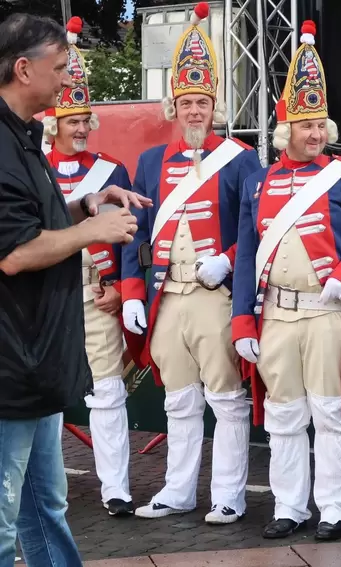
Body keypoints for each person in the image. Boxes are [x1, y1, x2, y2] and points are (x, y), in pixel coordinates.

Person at [0, 13, 150, 566]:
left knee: (46, 505)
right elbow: (13, 253)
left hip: (33, 359)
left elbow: (30, 222)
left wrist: (85, 205)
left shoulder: (22, 138)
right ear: (23, 69)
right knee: (7, 512)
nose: (66, 80)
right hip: (11, 364)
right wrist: (91, 230)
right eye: (59, 68)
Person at [231, 20, 341, 541]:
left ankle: (336, 510)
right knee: (283, 416)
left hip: (324, 312)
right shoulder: (258, 183)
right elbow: (248, 254)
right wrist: (242, 323)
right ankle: (289, 507)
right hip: (274, 314)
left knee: (330, 414)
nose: (316, 133)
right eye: (306, 125)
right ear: (285, 131)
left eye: (321, 124)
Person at [121, 2, 263, 524]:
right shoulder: (151, 163)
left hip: (213, 297)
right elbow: (132, 233)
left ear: (214, 105)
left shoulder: (241, 159)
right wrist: (134, 291)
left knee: (226, 400)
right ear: (174, 108)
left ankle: (229, 494)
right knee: (178, 402)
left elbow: (256, 232)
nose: (195, 111)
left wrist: (226, 263)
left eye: (203, 102)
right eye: (187, 102)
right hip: (167, 297)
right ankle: (178, 491)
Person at [41, 15, 136, 518]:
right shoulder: (31, 165)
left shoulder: (112, 171)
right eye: (70, 120)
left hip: (97, 291)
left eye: (85, 120)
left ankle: (116, 488)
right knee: (46, 396)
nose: (79, 128)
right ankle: (48, 488)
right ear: (53, 121)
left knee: (108, 390)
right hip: (47, 294)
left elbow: (126, 235)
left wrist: (121, 285)